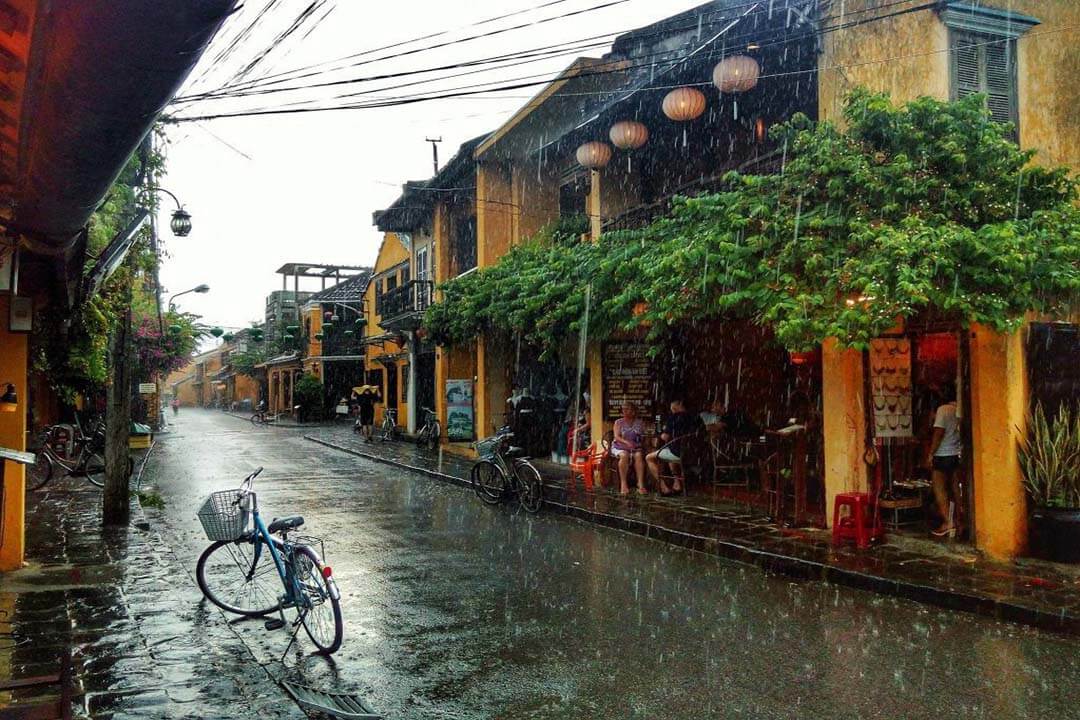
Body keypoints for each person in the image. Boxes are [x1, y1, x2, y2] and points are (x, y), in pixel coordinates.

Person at [926, 383, 962, 537]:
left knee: (939, 488)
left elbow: (939, 433)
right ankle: (959, 520)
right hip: (955, 453)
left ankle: (948, 521)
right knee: (955, 489)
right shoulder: (959, 409)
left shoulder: (943, 410)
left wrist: (930, 453)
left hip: (942, 454)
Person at [647, 399, 701, 495]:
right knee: (669, 451)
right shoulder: (696, 417)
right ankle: (677, 483)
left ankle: (663, 487)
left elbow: (665, 437)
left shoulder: (673, 418)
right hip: (696, 454)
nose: (670, 407)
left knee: (649, 458)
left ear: (679, 404)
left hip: (679, 453)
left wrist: (660, 433)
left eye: (672, 405)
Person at [612, 402, 647, 495]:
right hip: (620, 446)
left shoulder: (639, 422)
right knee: (624, 455)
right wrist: (626, 442)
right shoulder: (618, 422)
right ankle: (624, 483)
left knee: (639, 455)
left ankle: (640, 484)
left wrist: (639, 440)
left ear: (633, 411)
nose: (625, 411)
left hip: (634, 446)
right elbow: (616, 437)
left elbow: (643, 435)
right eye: (623, 409)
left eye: (627, 409)